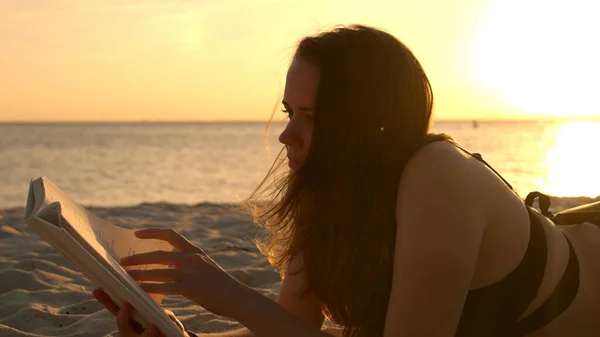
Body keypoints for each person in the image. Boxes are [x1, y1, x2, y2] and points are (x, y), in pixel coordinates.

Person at [93, 24, 600, 337]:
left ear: (363, 120)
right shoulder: (327, 195)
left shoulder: (438, 176)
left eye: (310, 116)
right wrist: (173, 329)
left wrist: (227, 294)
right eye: (290, 111)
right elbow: (292, 328)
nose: (286, 135)